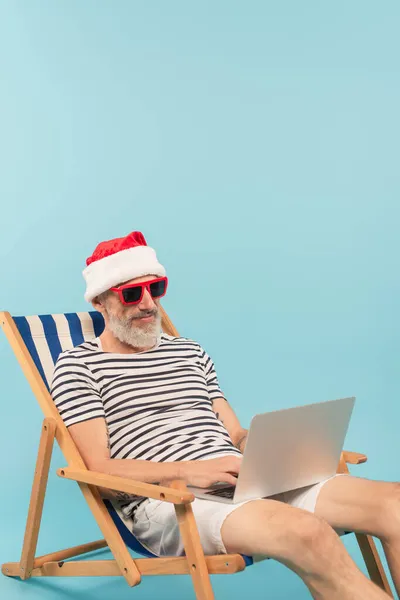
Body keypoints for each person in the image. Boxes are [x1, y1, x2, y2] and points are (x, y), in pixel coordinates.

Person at [51, 231, 399, 600]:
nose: (149, 304)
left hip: (243, 478)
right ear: (101, 302)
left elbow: (234, 431)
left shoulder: (189, 352)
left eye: (156, 288)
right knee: (307, 532)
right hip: (171, 500)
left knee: (392, 503)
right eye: (132, 294)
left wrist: (268, 449)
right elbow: (99, 473)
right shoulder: (79, 366)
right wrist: (187, 472)